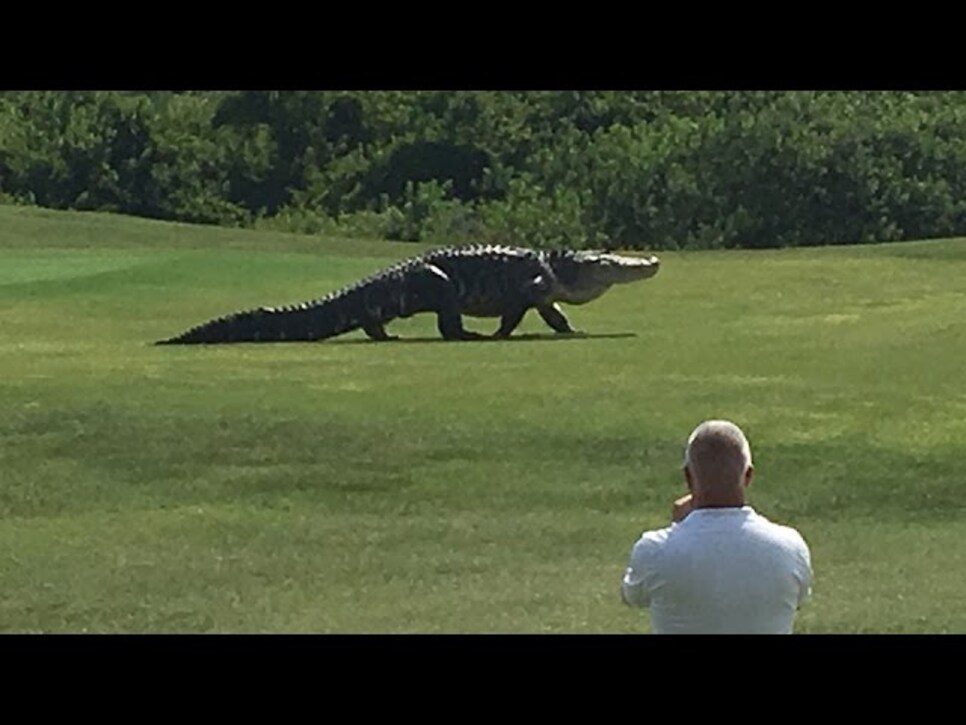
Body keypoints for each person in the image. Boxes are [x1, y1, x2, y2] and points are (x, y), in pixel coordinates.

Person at [621, 419, 812, 634]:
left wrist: (678, 526)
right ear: (747, 476)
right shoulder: (790, 547)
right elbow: (799, 598)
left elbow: (632, 595)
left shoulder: (654, 550)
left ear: (688, 477)